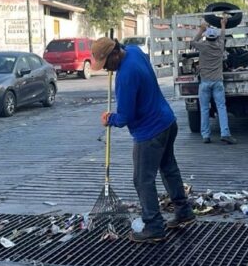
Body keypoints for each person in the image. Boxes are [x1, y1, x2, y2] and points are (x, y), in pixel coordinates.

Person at [93, 36, 194, 243]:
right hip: (167, 121)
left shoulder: (125, 77)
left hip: (150, 133)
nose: (106, 70)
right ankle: (184, 211)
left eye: (106, 64)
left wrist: (109, 119)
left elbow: (125, 117)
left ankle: (154, 226)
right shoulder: (134, 51)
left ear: (114, 54)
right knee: (168, 168)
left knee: (142, 179)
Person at [194, 16, 236, 144]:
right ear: (216, 37)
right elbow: (223, 36)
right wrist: (223, 24)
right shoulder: (220, 46)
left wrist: (201, 30)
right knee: (221, 107)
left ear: (207, 37)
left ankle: (206, 136)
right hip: (218, 81)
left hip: (205, 82)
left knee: (205, 109)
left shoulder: (202, 46)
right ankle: (225, 133)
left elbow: (193, 41)